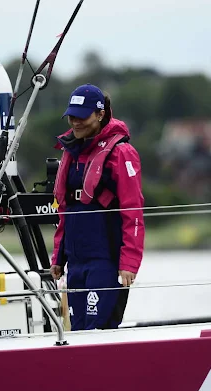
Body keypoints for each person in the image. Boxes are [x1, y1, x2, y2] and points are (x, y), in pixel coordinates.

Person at [49, 83, 145, 330]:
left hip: (105, 259)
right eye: (71, 117)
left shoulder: (121, 152)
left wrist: (129, 263)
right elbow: (64, 210)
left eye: (82, 117)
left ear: (101, 114)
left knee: (99, 328)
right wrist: (58, 256)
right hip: (76, 261)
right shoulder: (71, 151)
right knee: (77, 330)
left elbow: (133, 211)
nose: (75, 123)